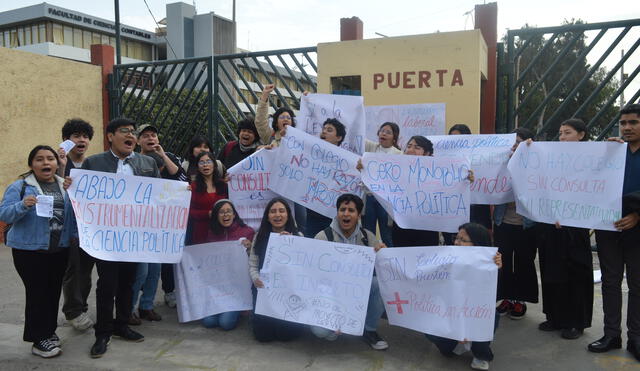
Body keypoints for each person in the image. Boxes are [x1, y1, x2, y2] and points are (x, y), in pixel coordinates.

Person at [67, 118, 161, 358]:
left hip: (135, 236)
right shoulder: (93, 162)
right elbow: (82, 198)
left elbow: (160, 196)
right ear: (110, 136)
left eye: (133, 132)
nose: (130, 135)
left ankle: (121, 325)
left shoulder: (148, 162)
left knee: (129, 282)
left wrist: (180, 194)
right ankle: (103, 332)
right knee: (107, 284)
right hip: (105, 238)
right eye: (124, 131)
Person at [0, 145, 77, 358]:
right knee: (37, 293)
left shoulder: (66, 186)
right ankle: (38, 339)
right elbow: (4, 213)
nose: (45, 163)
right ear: (31, 164)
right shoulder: (21, 187)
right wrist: (23, 205)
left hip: (59, 249)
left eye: (50, 159)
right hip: (29, 251)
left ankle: (48, 332)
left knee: (52, 292)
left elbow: (75, 217)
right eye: (39, 159)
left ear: (57, 163)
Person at [588, 104, 640, 362]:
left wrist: (637, 216)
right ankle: (611, 335)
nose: (628, 127)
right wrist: (604, 153)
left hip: (637, 230)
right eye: (624, 123)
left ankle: (636, 338)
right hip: (608, 227)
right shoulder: (613, 151)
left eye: (633, 122)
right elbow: (584, 177)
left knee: (637, 284)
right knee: (610, 282)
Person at [536, 119, 593, 339]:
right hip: (551, 223)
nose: (562, 137)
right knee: (552, 270)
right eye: (560, 133)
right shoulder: (551, 157)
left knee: (576, 273)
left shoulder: (593, 158)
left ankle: (575, 322)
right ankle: (554, 317)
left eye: (567, 133)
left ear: (581, 134)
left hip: (576, 225)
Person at [312, 193, 389, 350]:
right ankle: (336, 324)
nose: (346, 214)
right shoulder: (322, 237)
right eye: (342, 209)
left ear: (358, 215)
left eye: (351, 210)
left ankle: (369, 330)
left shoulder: (368, 237)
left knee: (380, 284)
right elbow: (311, 272)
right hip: (329, 296)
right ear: (337, 212)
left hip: (356, 294)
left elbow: (383, 266)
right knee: (321, 333)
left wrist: (383, 253)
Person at [425, 222, 502, 371]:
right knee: (430, 327)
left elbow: (487, 300)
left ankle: (481, 354)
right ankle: (450, 346)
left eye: (463, 240)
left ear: (478, 244)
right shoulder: (443, 259)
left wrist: (496, 268)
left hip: (474, 313)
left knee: (492, 315)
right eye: (456, 238)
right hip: (449, 312)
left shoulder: (490, 264)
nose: (457, 243)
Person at [133, 125, 188, 316]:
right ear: (138, 140)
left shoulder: (169, 157)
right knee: (140, 270)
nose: (150, 138)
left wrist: (163, 155)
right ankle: (130, 307)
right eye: (145, 136)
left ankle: (147, 305)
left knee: (158, 267)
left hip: (163, 222)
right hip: (137, 222)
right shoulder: (132, 160)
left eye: (153, 135)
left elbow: (181, 178)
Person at [493, 127, 538, 320]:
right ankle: (506, 298)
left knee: (524, 261)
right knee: (503, 262)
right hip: (503, 222)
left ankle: (520, 299)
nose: (514, 145)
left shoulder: (536, 164)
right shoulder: (499, 164)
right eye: (512, 141)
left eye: (519, 141)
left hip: (526, 224)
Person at [57, 119, 96, 332]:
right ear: (66, 140)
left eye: (85, 136)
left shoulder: (93, 165)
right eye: (76, 136)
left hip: (90, 228)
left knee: (85, 270)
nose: (81, 140)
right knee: (73, 270)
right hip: (67, 229)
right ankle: (72, 311)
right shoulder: (57, 164)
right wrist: (61, 171)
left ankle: (81, 306)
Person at [248, 197, 306, 342]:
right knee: (263, 337)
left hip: (288, 293)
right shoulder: (259, 236)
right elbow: (253, 264)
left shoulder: (298, 236)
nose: (277, 215)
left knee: (285, 335)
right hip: (264, 291)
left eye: (281, 211)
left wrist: (293, 244)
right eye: (273, 212)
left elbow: (304, 269)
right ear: (267, 216)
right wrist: (256, 278)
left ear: (288, 214)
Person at [201, 199, 254, 330]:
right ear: (216, 216)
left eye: (229, 211)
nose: (226, 215)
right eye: (221, 212)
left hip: (237, 289)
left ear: (234, 214)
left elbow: (255, 259)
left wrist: (249, 247)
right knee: (208, 322)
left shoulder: (247, 232)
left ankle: (239, 310)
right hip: (218, 287)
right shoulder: (211, 233)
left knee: (225, 324)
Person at [442, 124, 491, 245]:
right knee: (452, 243)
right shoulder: (443, 159)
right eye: (451, 138)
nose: (455, 142)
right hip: (452, 210)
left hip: (475, 211)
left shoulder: (481, 158)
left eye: (459, 138)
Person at [392, 136, 440, 247]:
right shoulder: (395, 169)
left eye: (417, 147)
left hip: (427, 227)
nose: (411, 150)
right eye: (408, 146)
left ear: (427, 153)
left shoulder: (437, 172)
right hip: (402, 225)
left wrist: (466, 179)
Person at [304, 118, 347, 238]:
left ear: (338, 138)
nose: (324, 132)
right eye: (323, 129)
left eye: (329, 130)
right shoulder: (312, 154)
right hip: (313, 211)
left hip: (333, 213)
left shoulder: (347, 162)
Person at [362, 122, 402, 247]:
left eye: (388, 132)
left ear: (394, 138)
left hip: (386, 200)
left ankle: (388, 262)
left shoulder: (399, 154)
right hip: (369, 197)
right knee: (368, 233)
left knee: (386, 234)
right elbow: (357, 136)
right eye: (382, 130)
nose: (383, 134)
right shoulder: (371, 147)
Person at [188, 151, 228, 245]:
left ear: (214, 165)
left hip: (221, 230)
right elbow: (188, 212)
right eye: (201, 162)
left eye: (208, 161)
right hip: (201, 232)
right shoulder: (193, 187)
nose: (205, 165)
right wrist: (207, 214)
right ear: (198, 167)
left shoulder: (223, 185)